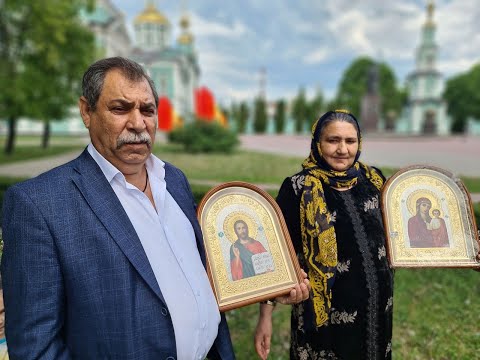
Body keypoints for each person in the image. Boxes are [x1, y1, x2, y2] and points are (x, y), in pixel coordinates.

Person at [1, 57, 310, 359]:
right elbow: (35, 347)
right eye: (120, 108)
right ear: (87, 110)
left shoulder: (173, 179)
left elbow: (201, 270)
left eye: (147, 110)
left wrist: (269, 284)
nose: (138, 123)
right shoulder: (40, 205)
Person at [254, 110, 394, 359]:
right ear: (317, 142)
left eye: (350, 141)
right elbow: (275, 256)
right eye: (333, 140)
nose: (343, 149)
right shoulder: (298, 188)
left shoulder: (374, 180)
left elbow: (399, 235)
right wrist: (265, 317)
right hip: (324, 319)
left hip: (377, 311)